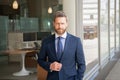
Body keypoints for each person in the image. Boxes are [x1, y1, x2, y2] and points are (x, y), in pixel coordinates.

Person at [37, 11, 86, 80]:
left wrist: (78, 78)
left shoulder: (76, 41)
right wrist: (50, 65)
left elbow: (82, 64)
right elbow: (40, 60)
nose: (60, 26)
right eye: (57, 23)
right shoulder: (46, 41)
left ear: (67, 24)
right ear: (53, 24)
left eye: (62, 23)